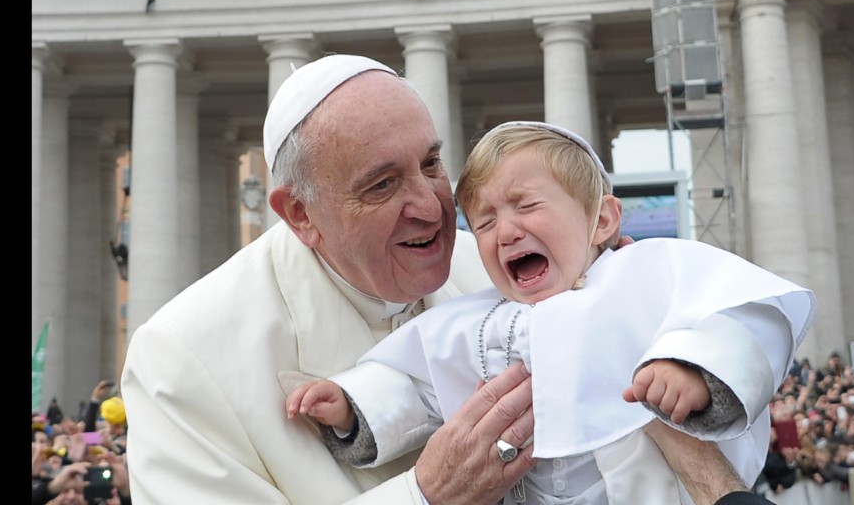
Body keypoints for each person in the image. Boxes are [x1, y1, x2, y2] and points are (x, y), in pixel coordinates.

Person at [121, 53, 791, 505]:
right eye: (383, 184)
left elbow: (731, 318)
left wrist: (692, 375)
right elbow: (410, 378)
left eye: (433, 164)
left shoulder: (504, 269)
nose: (434, 205)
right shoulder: (181, 358)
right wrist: (423, 494)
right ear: (301, 214)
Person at [285, 121, 816, 504]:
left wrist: (694, 372)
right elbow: (417, 383)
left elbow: (745, 315)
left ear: (603, 219)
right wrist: (353, 408)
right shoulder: (478, 320)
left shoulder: (649, 269)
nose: (507, 230)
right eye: (485, 220)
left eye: (526, 204)